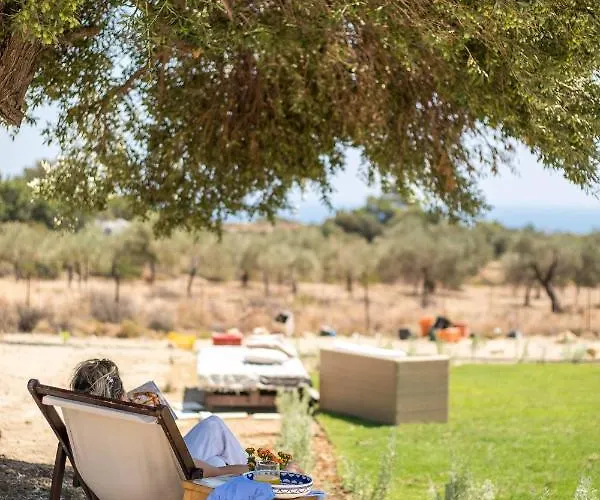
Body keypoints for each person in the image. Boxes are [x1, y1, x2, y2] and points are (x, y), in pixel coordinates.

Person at [70, 358, 249, 478]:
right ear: (118, 396)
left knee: (216, 454)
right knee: (214, 427)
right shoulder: (125, 425)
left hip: (122, 483)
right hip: (160, 483)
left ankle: (253, 475)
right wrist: (221, 471)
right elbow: (168, 462)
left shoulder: (82, 421)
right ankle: (257, 477)